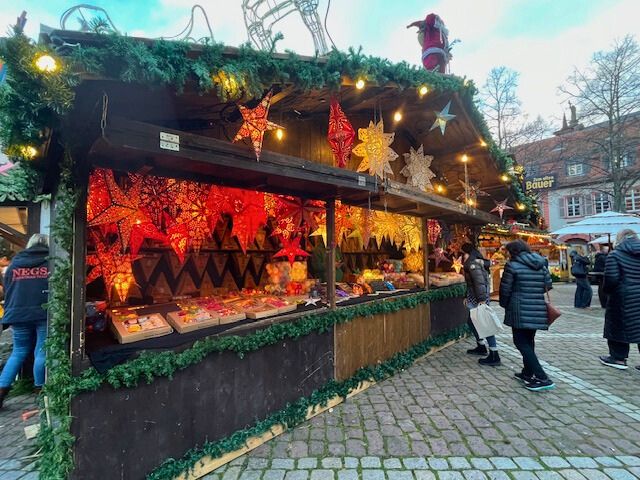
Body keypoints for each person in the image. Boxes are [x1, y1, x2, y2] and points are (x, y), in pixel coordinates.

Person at [0, 234, 49, 409]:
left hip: (17, 314)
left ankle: (2, 390)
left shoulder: (14, 264)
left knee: (18, 351)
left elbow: (8, 288)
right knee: (41, 352)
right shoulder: (49, 262)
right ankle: (40, 390)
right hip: (42, 313)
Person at [500, 239, 555, 392]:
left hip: (518, 308)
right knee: (529, 341)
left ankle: (542, 377)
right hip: (537, 306)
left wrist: (505, 304)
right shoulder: (541, 264)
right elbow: (548, 285)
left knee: (520, 342)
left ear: (513, 252)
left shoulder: (512, 265)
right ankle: (527, 372)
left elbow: (505, 289)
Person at [599, 229, 640, 370]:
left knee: (618, 327)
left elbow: (611, 279)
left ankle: (618, 358)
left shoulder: (615, 255)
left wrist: (607, 292)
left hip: (623, 297)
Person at [461, 243, 500, 366]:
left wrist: (482, 300)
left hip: (479, 297)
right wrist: (466, 296)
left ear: (467, 254)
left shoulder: (473, 265)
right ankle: (481, 346)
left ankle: (494, 354)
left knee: (484, 323)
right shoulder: (473, 263)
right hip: (475, 296)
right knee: (471, 321)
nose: (461, 257)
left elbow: (479, 283)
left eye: (462, 254)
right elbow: (472, 284)